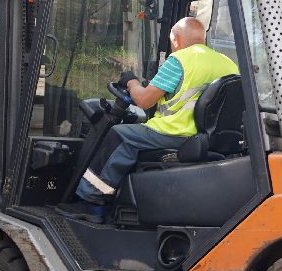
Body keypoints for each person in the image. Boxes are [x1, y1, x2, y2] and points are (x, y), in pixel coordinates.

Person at [59, 16, 238, 224]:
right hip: (205, 138)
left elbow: (143, 101)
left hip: (174, 133)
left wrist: (132, 82)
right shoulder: (228, 63)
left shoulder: (180, 60)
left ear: (175, 40)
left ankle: (92, 202)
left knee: (120, 135)